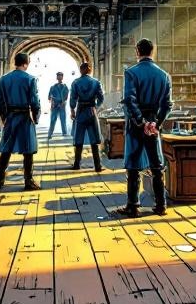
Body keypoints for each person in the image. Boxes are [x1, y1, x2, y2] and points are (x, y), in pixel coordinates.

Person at [114, 38, 172, 218]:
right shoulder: (164, 75)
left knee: (133, 166)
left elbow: (130, 101)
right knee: (156, 166)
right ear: (152, 52)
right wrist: (156, 123)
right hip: (154, 123)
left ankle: (133, 205)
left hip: (136, 124)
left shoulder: (131, 73)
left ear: (137, 51)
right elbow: (167, 104)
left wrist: (141, 121)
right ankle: (161, 205)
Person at [0, 52, 41, 190]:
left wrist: (4, 116)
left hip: (11, 117)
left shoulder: (3, 79)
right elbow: (35, 102)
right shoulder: (31, 79)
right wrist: (36, 117)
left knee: (6, 149)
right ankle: (28, 181)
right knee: (28, 149)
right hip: (25, 117)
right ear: (26, 63)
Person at [69, 61, 105, 172]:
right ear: (90, 70)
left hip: (80, 111)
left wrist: (72, 110)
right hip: (91, 110)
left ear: (81, 70)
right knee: (94, 139)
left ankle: (76, 164)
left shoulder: (75, 82)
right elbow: (101, 99)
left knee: (78, 138)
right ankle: (98, 166)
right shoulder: (96, 82)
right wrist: (96, 107)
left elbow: (73, 98)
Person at [47, 72, 69, 138]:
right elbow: (49, 96)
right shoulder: (53, 87)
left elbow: (66, 97)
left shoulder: (65, 87)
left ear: (62, 77)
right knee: (53, 119)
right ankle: (50, 133)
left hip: (62, 105)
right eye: (58, 76)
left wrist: (63, 102)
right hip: (55, 105)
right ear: (56, 77)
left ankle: (64, 133)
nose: (59, 77)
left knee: (63, 119)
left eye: (60, 76)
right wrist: (52, 101)